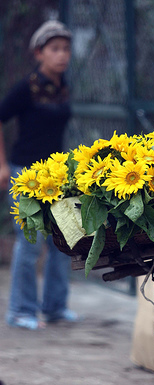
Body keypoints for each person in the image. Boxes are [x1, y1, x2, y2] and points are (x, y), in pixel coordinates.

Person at [0, 20, 78, 330]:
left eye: (66, 49)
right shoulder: (25, 88)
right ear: (39, 53)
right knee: (30, 241)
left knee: (63, 240)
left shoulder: (62, 87)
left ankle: (56, 308)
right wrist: (2, 165)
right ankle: (21, 311)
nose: (62, 55)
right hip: (25, 174)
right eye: (55, 49)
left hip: (56, 175)